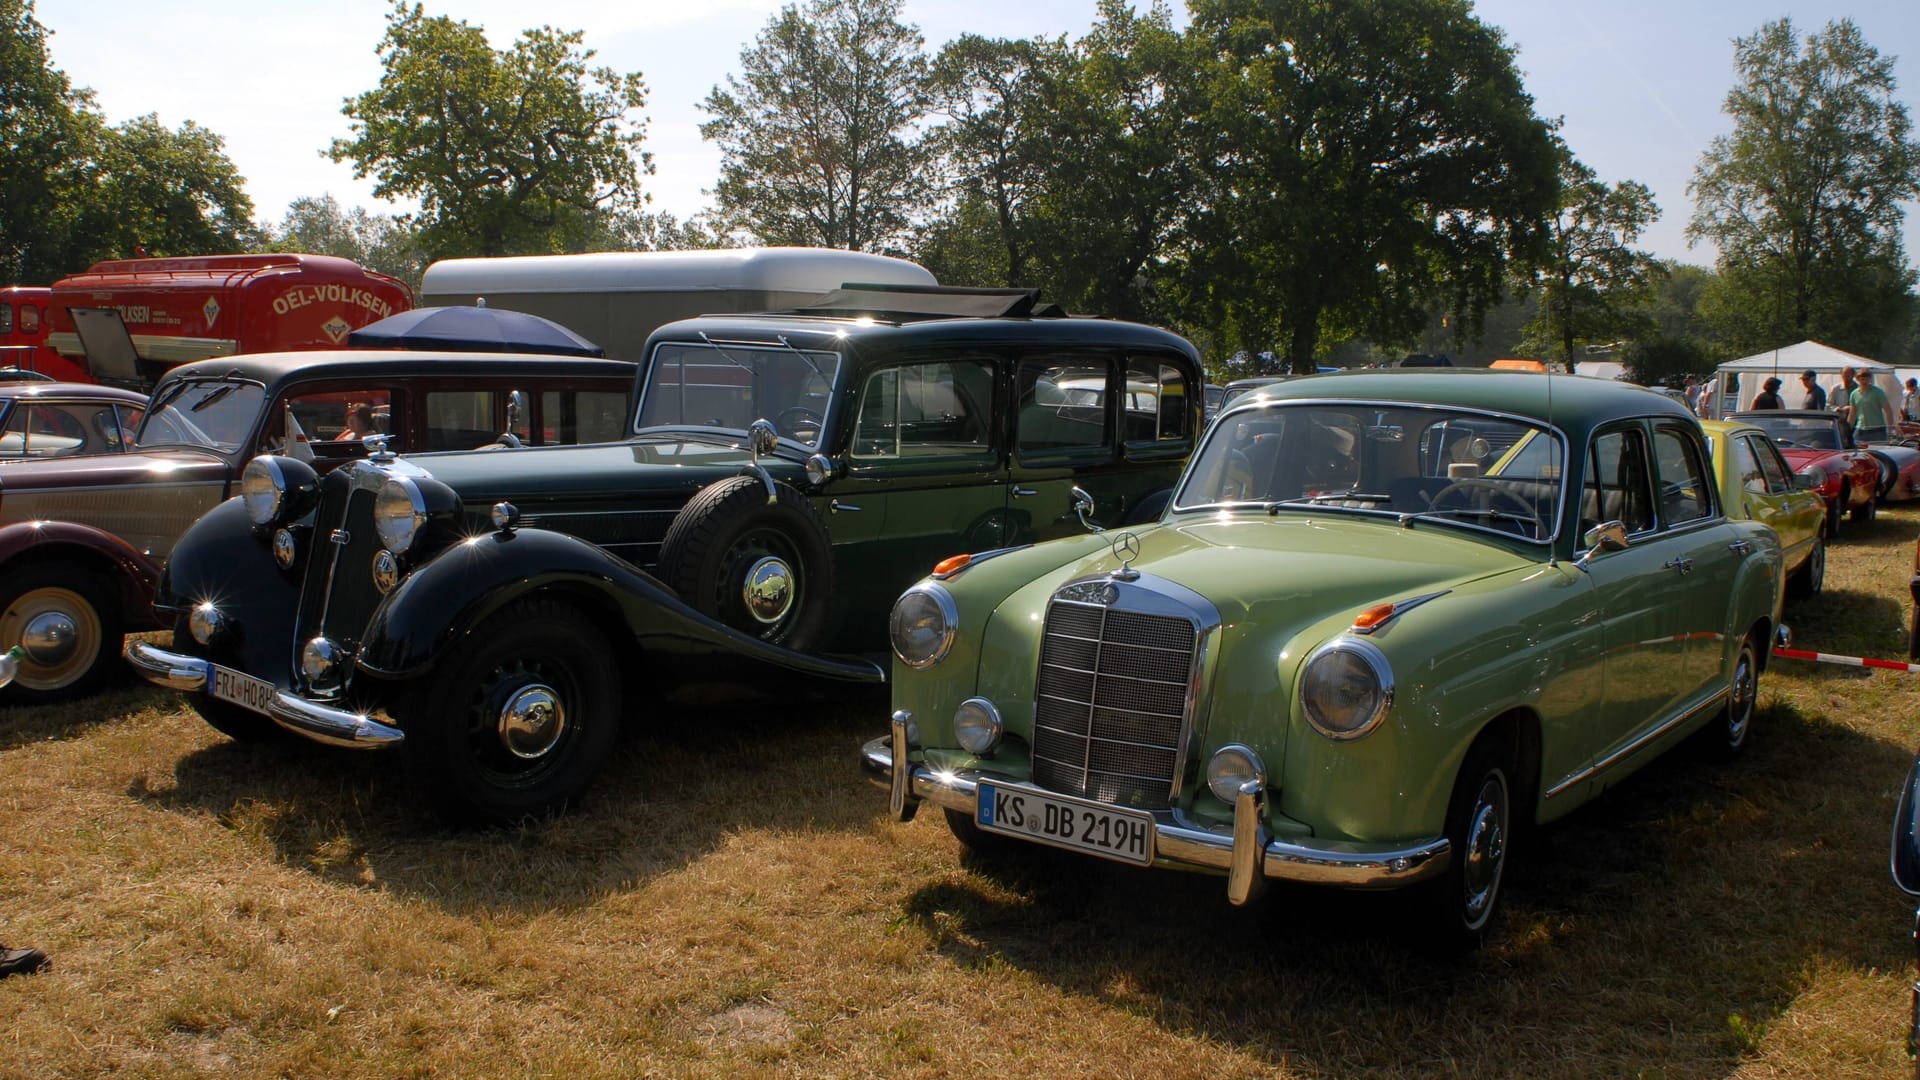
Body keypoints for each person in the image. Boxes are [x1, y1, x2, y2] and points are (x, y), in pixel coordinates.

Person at [1851, 369, 1895, 443]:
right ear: (1858, 379)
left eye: (1867, 379)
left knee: (1878, 450)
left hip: (1877, 429)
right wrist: (1848, 429)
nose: (1865, 382)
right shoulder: (1854, 394)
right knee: (1858, 450)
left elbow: (1888, 411)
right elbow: (1852, 414)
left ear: (1870, 379)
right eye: (1862, 379)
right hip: (1861, 428)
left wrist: (1889, 429)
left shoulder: (1878, 392)